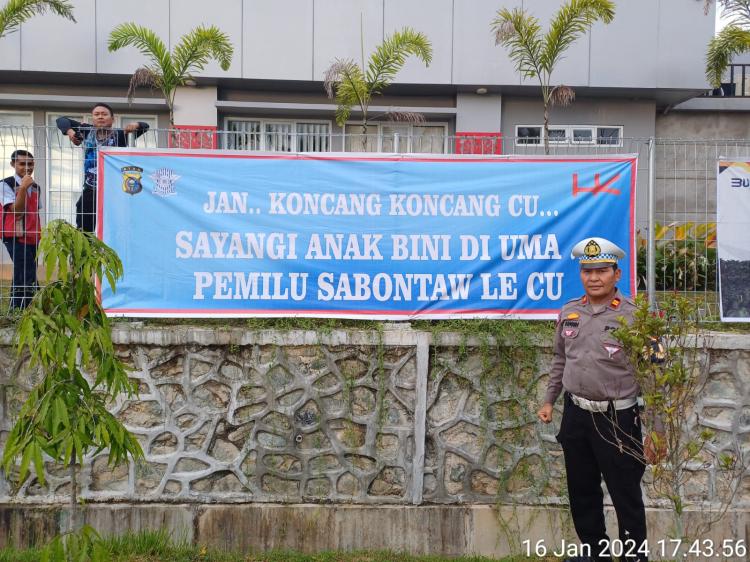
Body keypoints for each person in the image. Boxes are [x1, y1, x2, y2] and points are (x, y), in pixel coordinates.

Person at [537, 237, 659, 562]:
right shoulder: (569, 311)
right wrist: (549, 401)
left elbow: (655, 376)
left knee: (626, 495)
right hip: (576, 414)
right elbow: (560, 360)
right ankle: (595, 553)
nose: (594, 277)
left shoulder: (637, 317)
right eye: (587, 270)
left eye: (601, 270)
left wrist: (656, 430)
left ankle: (634, 558)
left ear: (616, 274)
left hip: (617, 418)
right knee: (582, 490)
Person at [56, 103, 149, 232]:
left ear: (112, 119)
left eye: (104, 114)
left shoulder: (121, 135)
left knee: (114, 228)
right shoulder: (87, 131)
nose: (100, 117)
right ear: (92, 118)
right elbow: (61, 120)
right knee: (84, 228)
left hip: (113, 190)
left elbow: (145, 126)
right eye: (97, 114)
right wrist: (71, 132)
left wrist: (137, 125)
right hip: (90, 188)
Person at [1, 150, 41, 309]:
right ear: (13, 164)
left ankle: (15, 307)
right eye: (22, 164)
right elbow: (17, 212)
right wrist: (23, 188)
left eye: (30, 164)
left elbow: (35, 213)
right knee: (27, 271)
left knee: (22, 272)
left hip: (33, 236)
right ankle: (31, 306)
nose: (27, 167)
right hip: (14, 236)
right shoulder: (5, 184)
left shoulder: (36, 187)